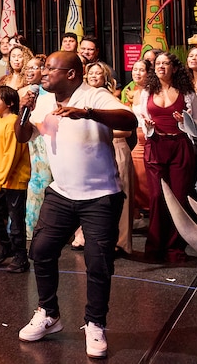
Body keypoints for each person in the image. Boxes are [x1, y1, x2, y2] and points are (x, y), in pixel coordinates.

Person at [15, 51, 136, 358]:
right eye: (43, 69)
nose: (44, 73)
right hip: (62, 193)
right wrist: (23, 112)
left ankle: (95, 323)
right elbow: (22, 136)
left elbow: (130, 120)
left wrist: (89, 113)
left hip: (100, 195)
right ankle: (49, 313)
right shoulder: (42, 100)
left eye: (50, 69)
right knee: (40, 251)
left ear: (70, 74)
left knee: (98, 263)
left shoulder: (95, 95)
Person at [134, 51, 197, 264]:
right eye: (158, 63)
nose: (161, 66)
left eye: (165, 63)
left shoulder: (187, 93)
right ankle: (154, 248)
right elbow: (143, 119)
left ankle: (174, 248)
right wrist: (149, 127)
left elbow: (196, 125)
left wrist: (183, 122)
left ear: (175, 68)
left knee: (178, 198)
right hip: (155, 146)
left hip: (180, 146)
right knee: (156, 198)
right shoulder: (146, 92)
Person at [85, 61, 135, 255]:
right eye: (91, 73)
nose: (94, 76)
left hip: (116, 148)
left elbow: (126, 129)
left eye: (98, 73)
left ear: (106, 78)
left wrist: (98, 130)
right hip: (93, 150)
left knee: (121, 195)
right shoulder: (81, 98)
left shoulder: (110, 100)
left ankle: (121, 243)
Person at [0, 85, 31, 272]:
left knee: (16, 219)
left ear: (10, 103)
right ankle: (6, 247)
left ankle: (21, 256)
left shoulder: (13, 122)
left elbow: (10, 156)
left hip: (13, 180)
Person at [18, 54, 52, 240]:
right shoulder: (26, 92)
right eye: (28, 68)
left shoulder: (51, 92)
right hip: (31, 139)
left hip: (47, 138)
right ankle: (31, 228)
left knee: (46, 182)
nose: (30, 71)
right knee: (36, 183)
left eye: (35, 68)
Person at [121, 59, 151, 228]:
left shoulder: (152, 91)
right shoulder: (132, 91)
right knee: (135, 177)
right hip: (137, 138)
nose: (137, 73)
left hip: (149, 137)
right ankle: (137, 215)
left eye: (141, 70)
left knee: (146, 177)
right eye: (135, 69)